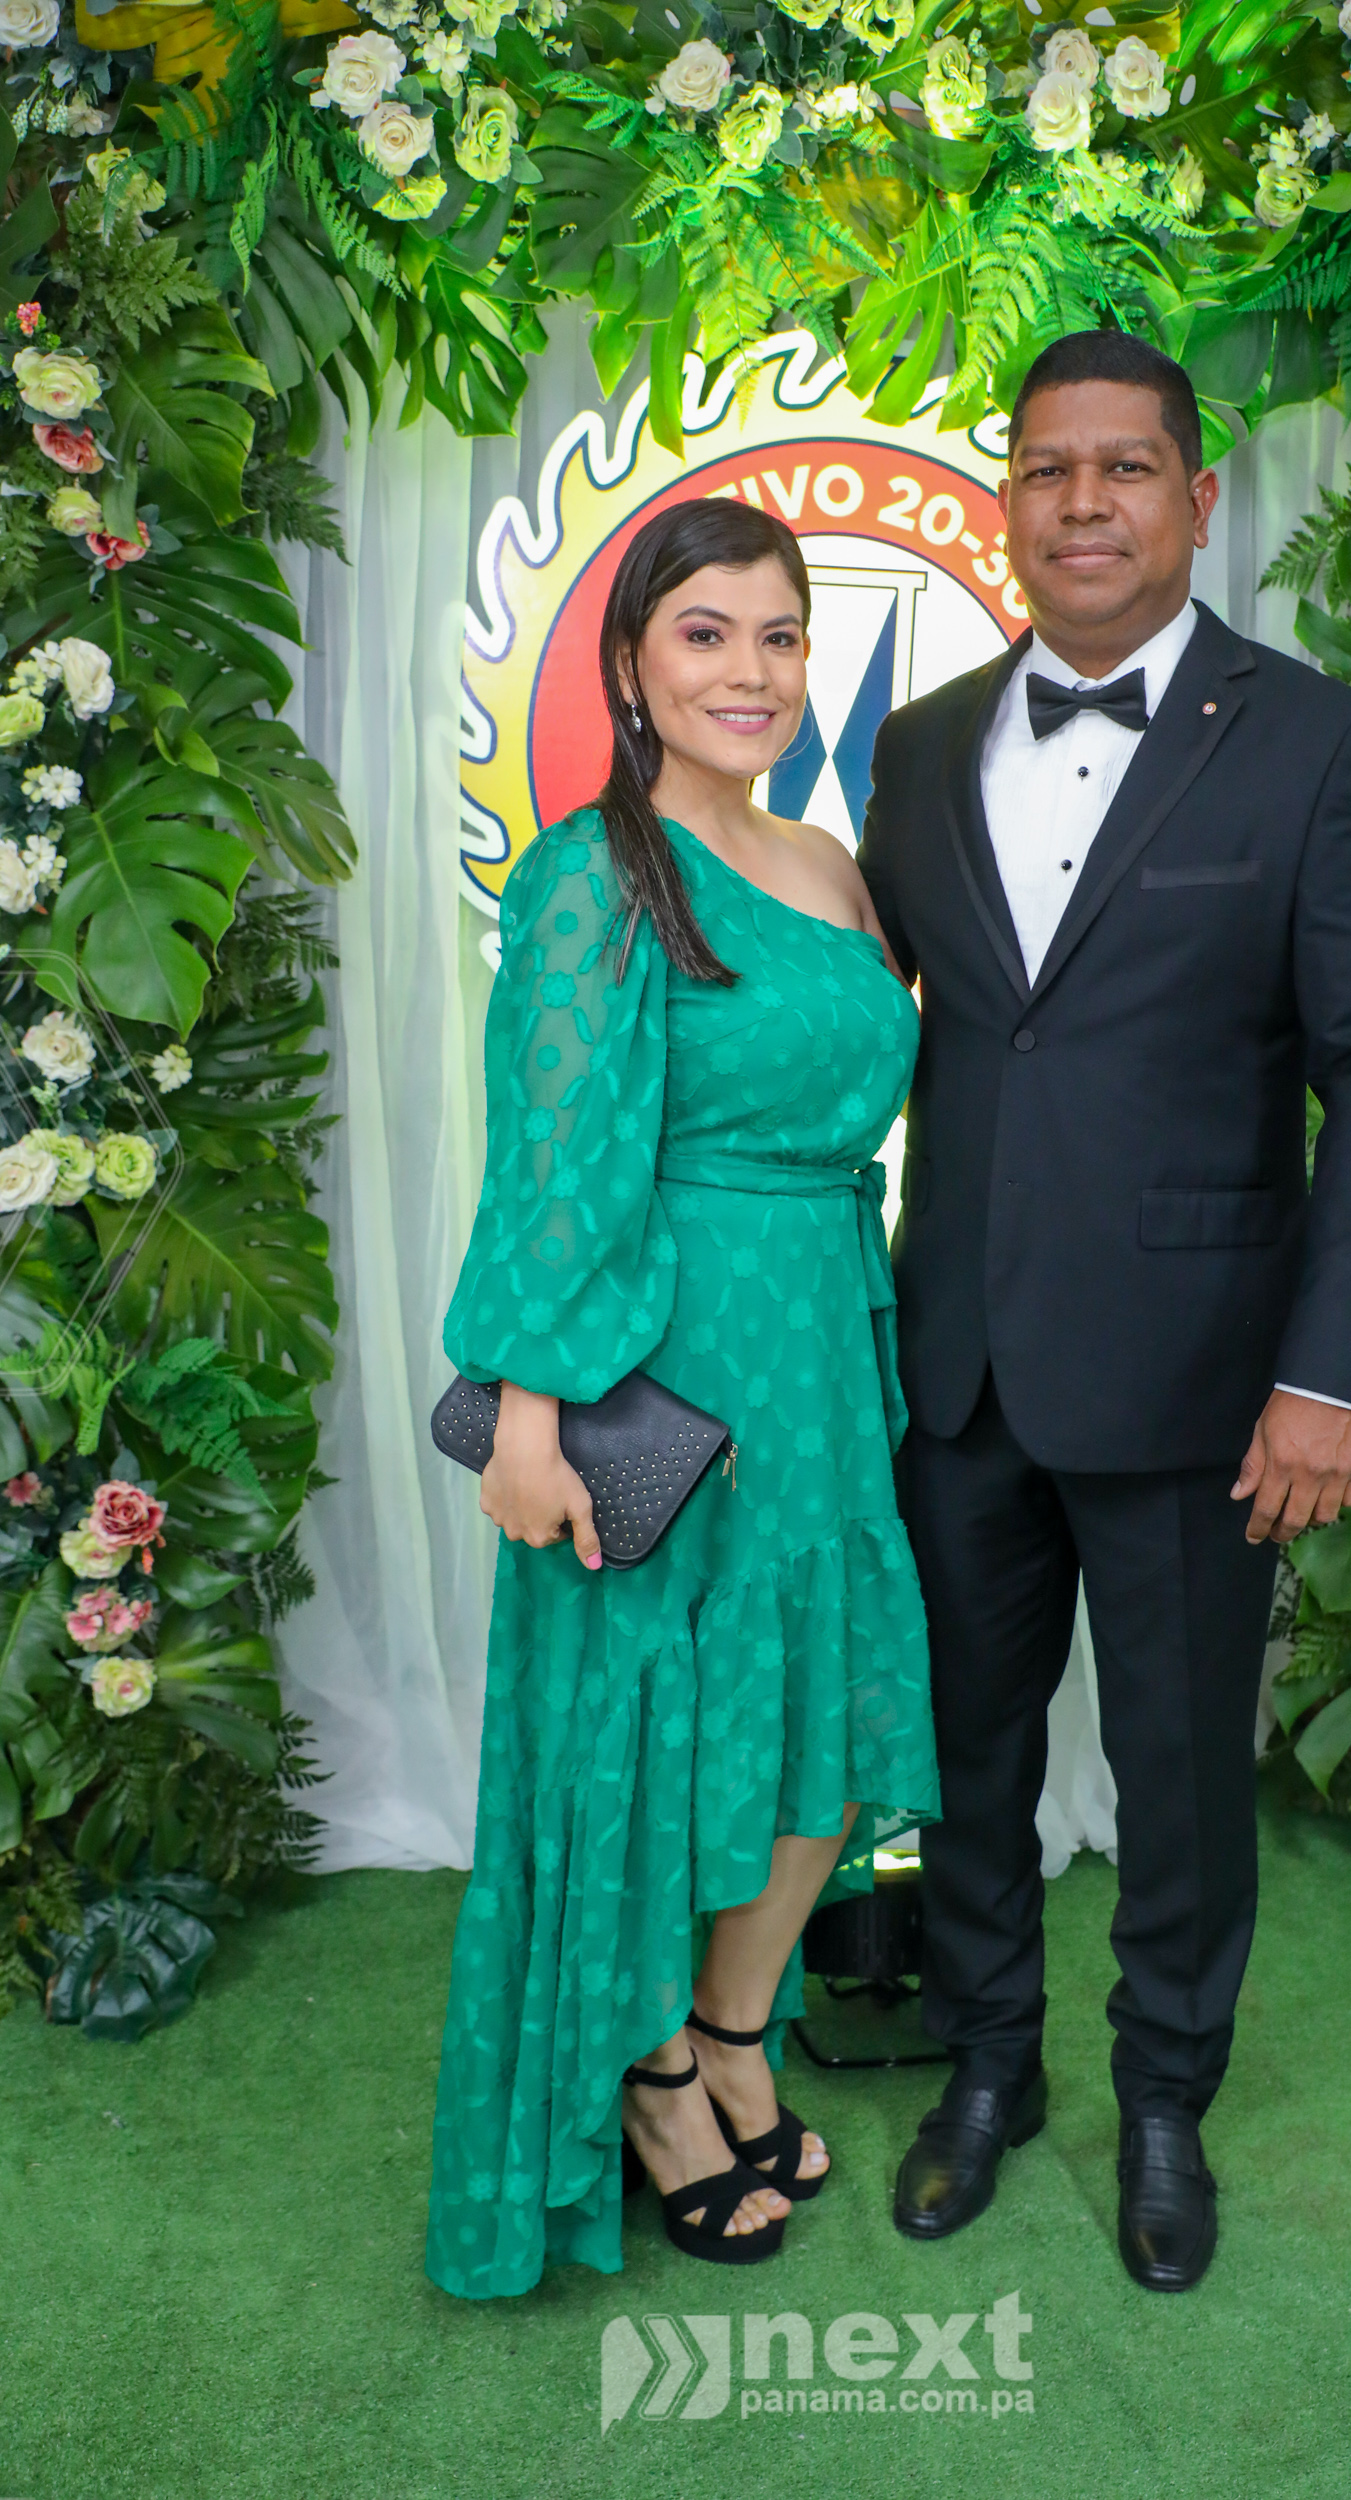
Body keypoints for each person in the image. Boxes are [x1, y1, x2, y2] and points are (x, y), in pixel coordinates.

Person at [858, 329, 1351, 2291]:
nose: (1083, 501)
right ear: (1006, 501)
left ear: (1195, 500)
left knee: (1183, 1775)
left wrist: (1331, 1371)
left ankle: (1167, 2096)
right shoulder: (918, 743)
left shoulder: (1313, 741)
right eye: (1049, 468)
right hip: (956, 1357)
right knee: (971, 1753)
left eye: (1124, 468)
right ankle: (988, 2066)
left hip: (1205, 1375)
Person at [427, 500, 939, 2294]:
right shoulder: (595, 869)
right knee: (648, 1733)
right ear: (633, 665)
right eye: (706, 634)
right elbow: (555, 1157)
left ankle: (733, 2032)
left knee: (819, 1736)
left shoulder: (828, 862)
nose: (750, 671)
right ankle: (651, 2079)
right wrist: (527, 1419)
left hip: (826, 1345)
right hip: (667, 1356)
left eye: (779, 636)